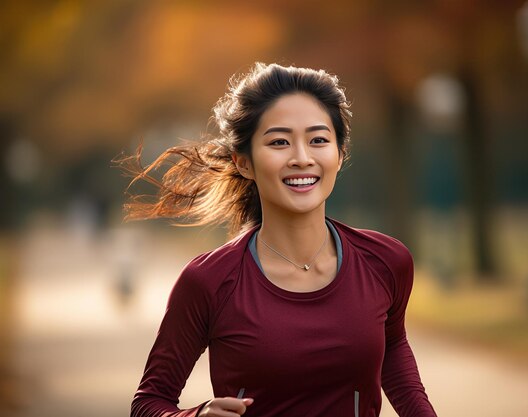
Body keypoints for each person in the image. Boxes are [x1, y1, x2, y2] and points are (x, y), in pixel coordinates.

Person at [120, 63, 437, 417]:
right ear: (245, 163)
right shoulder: (209, 281)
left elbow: (392, 347)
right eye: (279, 142)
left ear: (339, 154)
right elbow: (149, 403)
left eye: (318, 140)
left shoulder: (385, 262)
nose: (302, 158)